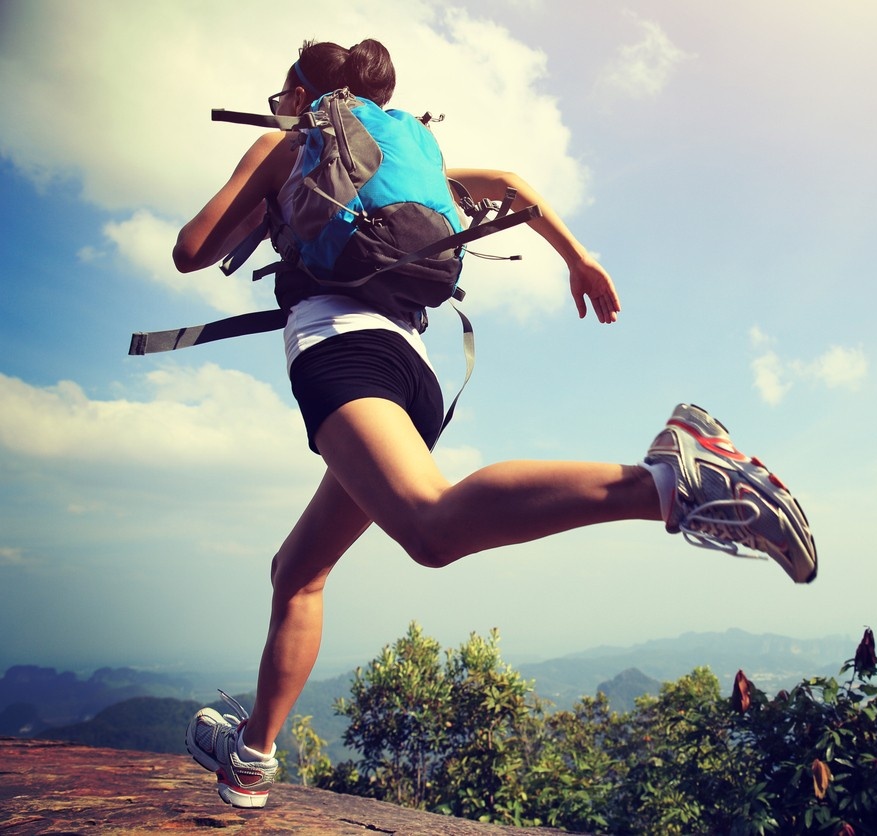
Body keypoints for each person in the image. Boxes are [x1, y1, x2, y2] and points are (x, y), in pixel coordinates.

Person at [177, 38, 817, 809]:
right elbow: (511, 184)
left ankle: (669, 483)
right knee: (298, 571)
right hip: (413, 370)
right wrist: (579, 257)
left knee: (430, 528)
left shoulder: (293, 145)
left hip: (342, 354)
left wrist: (266, 173)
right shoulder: (411, 157)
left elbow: (190, 250)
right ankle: (252, 758)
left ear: (305, 89)